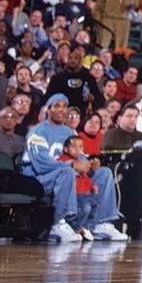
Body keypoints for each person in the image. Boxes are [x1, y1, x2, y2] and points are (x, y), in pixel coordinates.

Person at [20, 97, 127, 243]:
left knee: (104, 173)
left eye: (64, 106)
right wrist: (71, 165)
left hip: (68, 175)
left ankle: (101, 224)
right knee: (67, 172)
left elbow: (79, 156)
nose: (61, 109)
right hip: (37, 178)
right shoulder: (37, 131)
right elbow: (40, 164)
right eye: (56, 106)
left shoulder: (69, 131)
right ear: (48, 109)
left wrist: (89, 165)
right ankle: (58, 224)